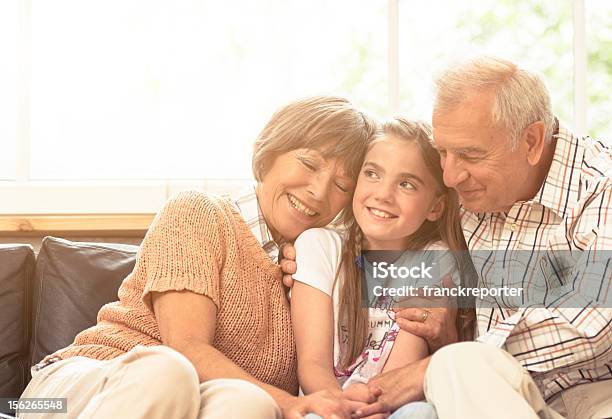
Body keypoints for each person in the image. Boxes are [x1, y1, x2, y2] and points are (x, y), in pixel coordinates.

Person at [282, 56, 612, 419]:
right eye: (443, 152)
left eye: (469, 155)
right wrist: (296, 245)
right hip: (490, 393)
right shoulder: (467, 198)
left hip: (593, 395)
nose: (451, 177)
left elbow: (594, 323)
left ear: (531, 141)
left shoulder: (600, 188)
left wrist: (437, 366)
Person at [19, 96, 382, 419]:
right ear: (270, 152)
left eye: (341, 186)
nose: (318, 191)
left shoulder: (312, 270)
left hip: (185, 401)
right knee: (168, 371)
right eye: (309, 163)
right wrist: (288, 404)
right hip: (61, 393)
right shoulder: (197, 213)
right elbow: (186, 347)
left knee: (251, 405)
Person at [291, 118, 474, 419]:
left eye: (406, 184)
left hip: (390, 404)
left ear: (435, 207)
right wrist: (340, 408)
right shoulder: (319, 246)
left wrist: (372, 409)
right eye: (372, 174)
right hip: (326, 404)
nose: (383, 194)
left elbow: (399, 374)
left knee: (422, 413)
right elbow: (312, 366)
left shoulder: (435, 260)